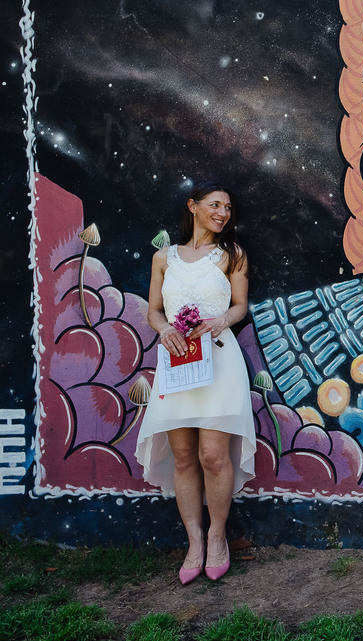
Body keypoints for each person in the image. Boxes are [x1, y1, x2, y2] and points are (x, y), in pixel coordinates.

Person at [135, 183, 255, 583]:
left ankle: (218, 537)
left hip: (219, 359)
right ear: (193, 206)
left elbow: (240, 305)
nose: (222, 213)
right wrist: (165, 328)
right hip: (177, 363)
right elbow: (153, 311)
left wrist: (221, 320)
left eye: (228, 207)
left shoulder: (232, 254)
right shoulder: (163, 258)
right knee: (184, 456)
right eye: (214, 205)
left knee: (213, 456)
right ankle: (195, 542)